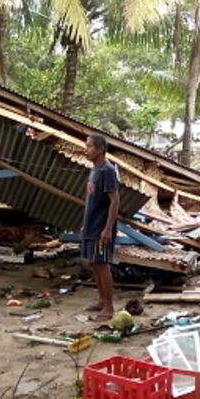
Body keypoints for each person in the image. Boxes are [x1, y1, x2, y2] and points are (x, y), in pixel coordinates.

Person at [81, 134, 120, 321]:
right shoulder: (95, 170)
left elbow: (114, 200)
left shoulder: (107, 171)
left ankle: (110, 307)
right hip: (91, 225)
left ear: (100, 149)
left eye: (89, 146)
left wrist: (107, 228)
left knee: (102, 264)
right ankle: (101, 300)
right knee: (94, 264)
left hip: (101, 227)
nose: (86, 150)